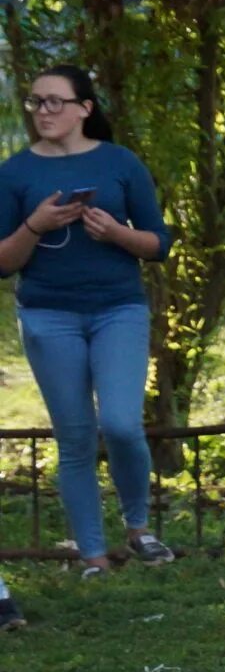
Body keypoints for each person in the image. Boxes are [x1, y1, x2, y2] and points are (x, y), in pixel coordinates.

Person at [0, 66, 174, 577]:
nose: (45, 112)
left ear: (85, 108)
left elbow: (158, 243)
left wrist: (117, 234)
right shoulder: (14, 173)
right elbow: (5, 262)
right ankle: (93, 557)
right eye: (36, 103)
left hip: (118, 308)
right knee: (75, 437)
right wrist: (37, 224)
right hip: (48, 313)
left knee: (121, 424)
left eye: (56, 102)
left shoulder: (120, 163)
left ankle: (138, 527)